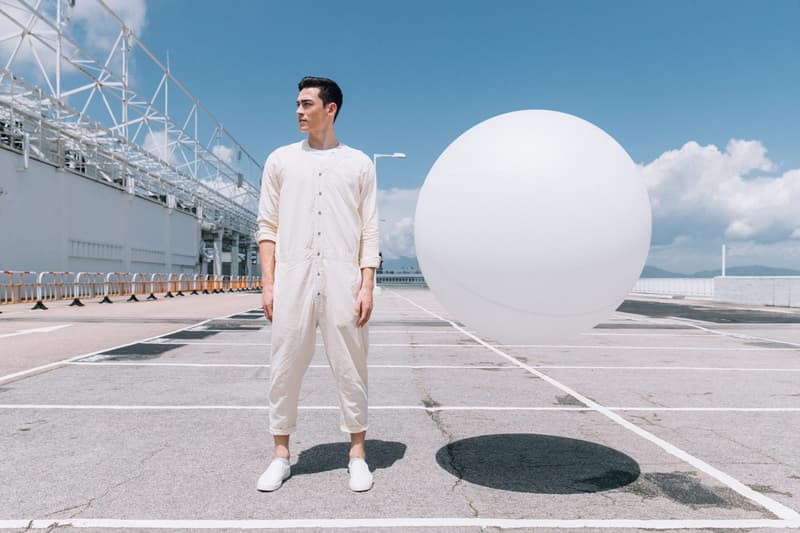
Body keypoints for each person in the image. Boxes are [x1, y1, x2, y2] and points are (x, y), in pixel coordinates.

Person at [254, 76, 380, 492]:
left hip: (344, 278)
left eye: (307, 103)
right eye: (296, 103)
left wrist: (366, 285)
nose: (298, 111)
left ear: (331, 109)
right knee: (284, 367)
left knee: (351, 368)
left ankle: (357, 455)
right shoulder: (280, 161)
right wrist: (269, 283)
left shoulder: (359, 164)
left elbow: (369, 230)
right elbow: (267, 226)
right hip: (292, 278)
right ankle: (281, 456)